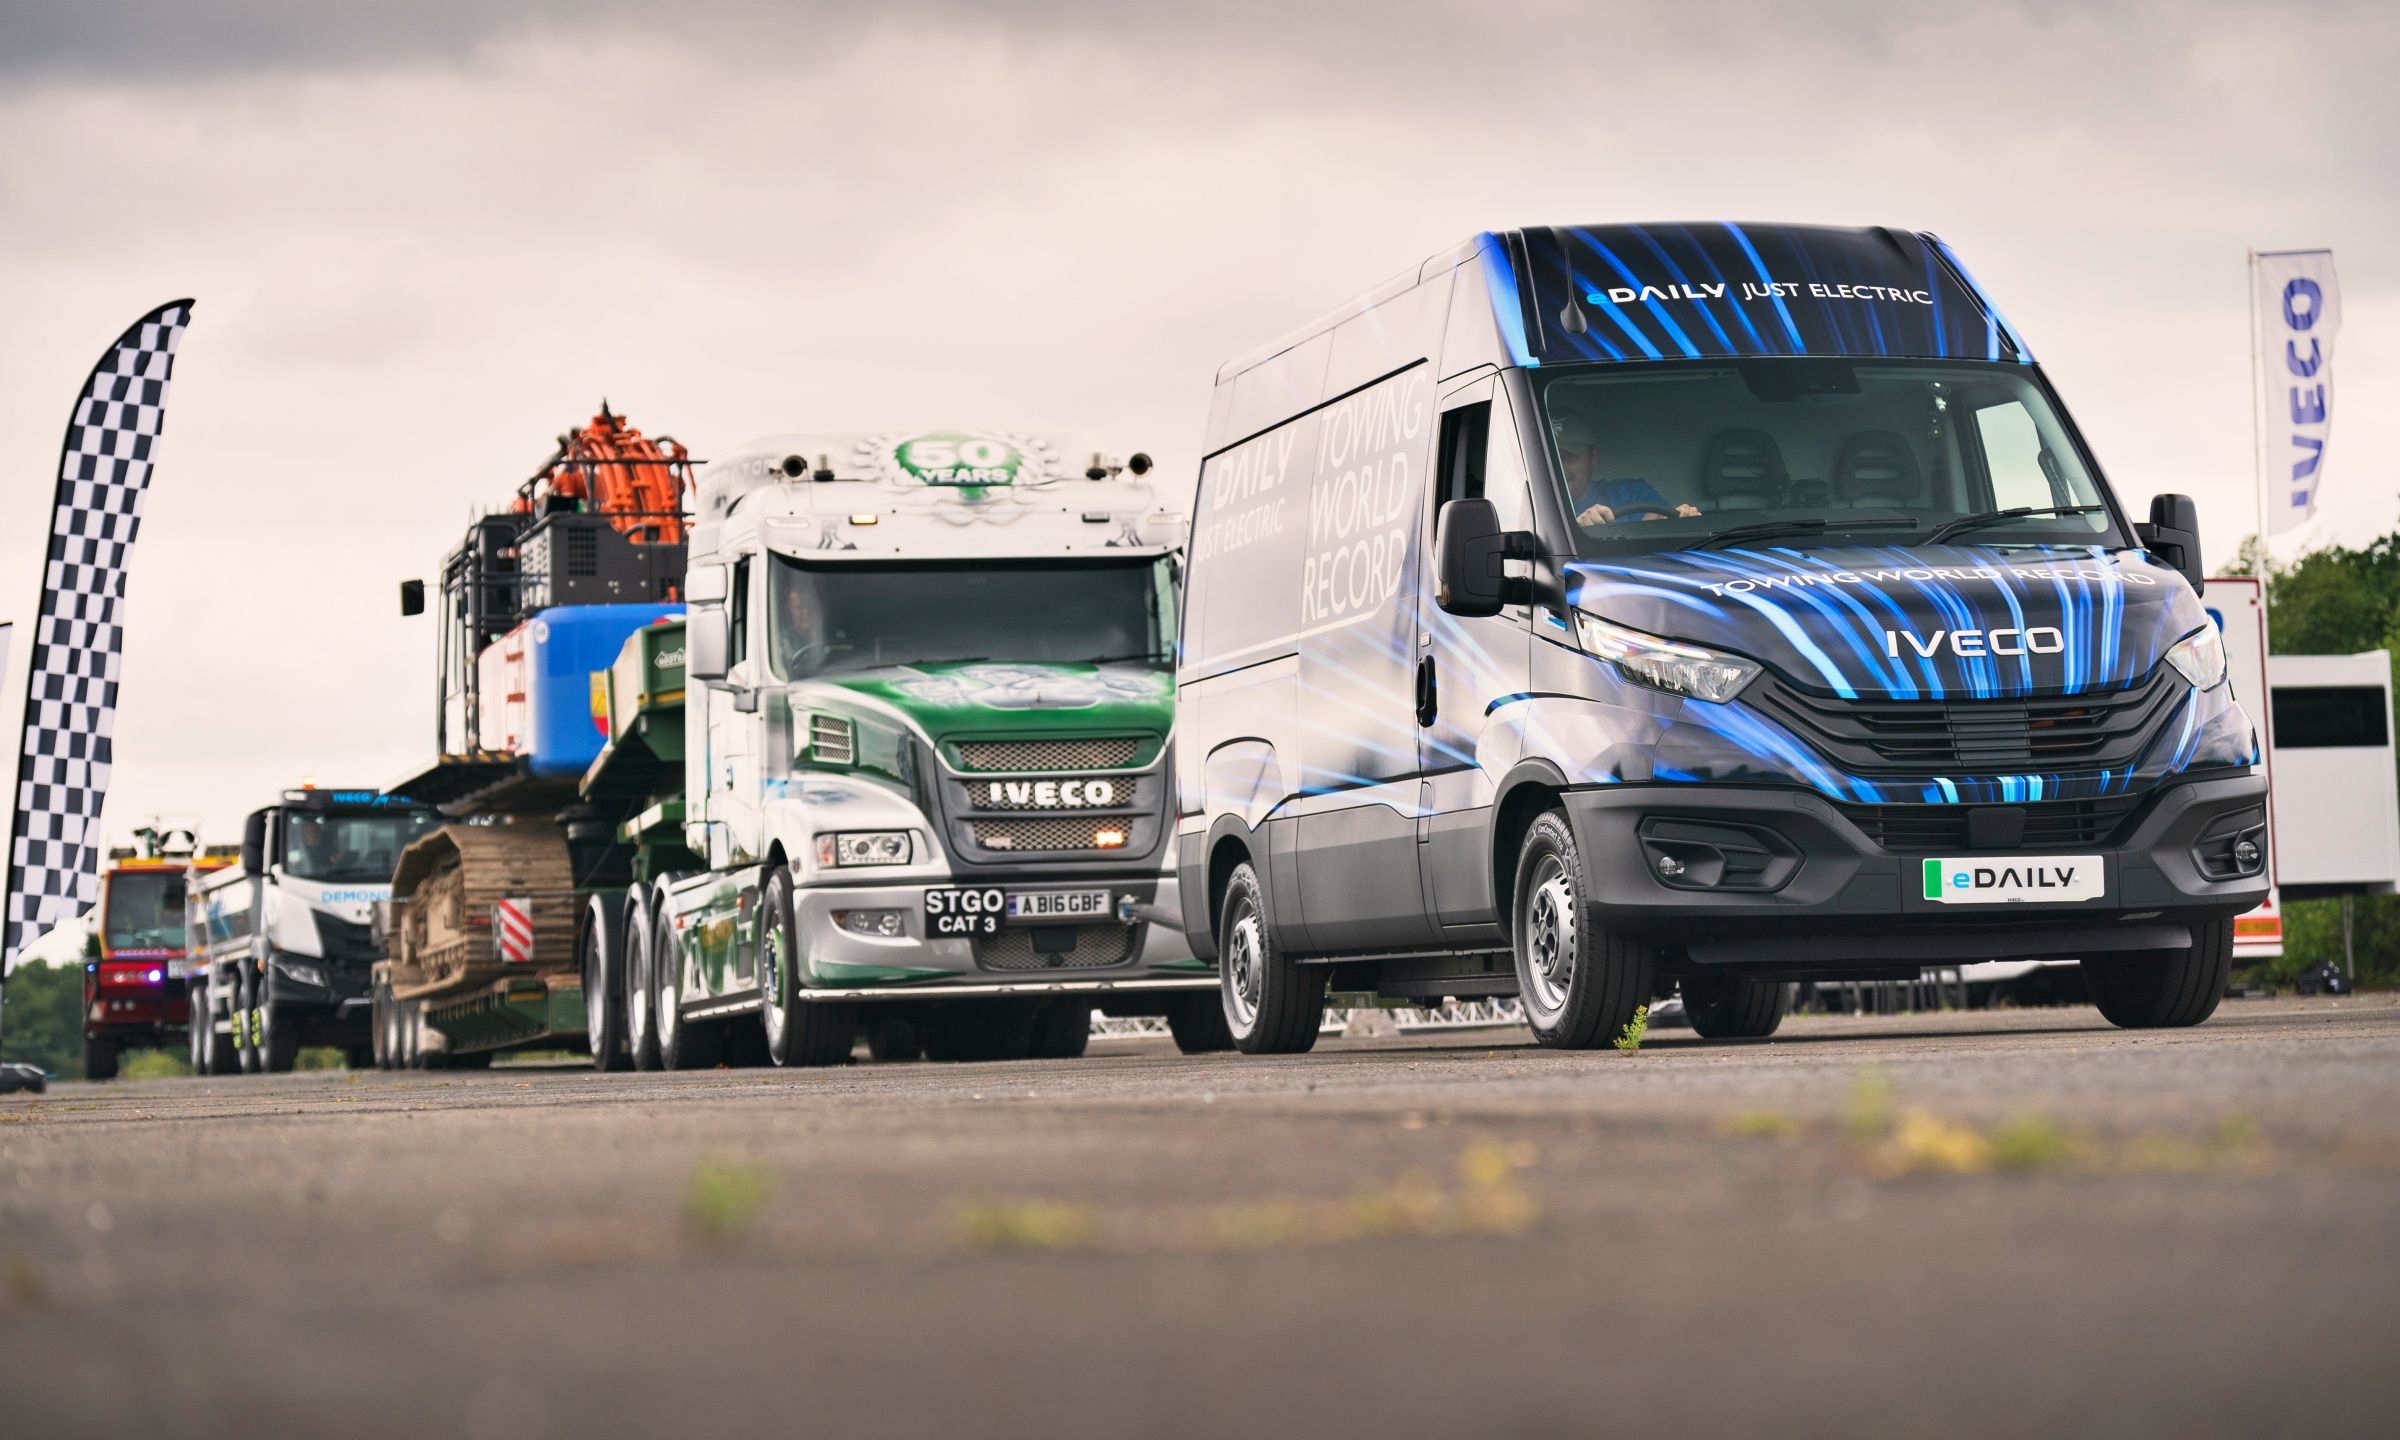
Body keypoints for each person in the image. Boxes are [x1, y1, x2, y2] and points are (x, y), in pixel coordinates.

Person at [1554, 412, 1701, 527]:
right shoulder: (1531, 510)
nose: (1558, 466)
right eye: (1550, 458)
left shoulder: (1631, 493)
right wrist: (1579, 531)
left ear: (1592, 456)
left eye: (1568, 457)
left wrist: (1681, 517)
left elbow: (1658, 520)